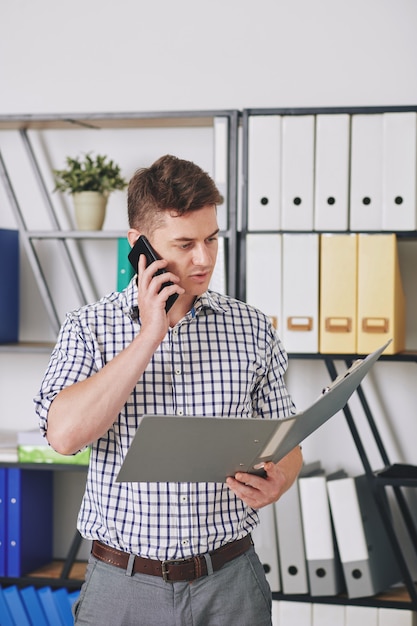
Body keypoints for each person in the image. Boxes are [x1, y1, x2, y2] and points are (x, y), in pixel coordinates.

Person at [34, 154, 303, 626]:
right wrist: (148, 336)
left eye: (212, 239)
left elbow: (287, 442)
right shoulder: (88, 328)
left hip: (231, 583)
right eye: (184, 243)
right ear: (140, 247)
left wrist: (281, 479)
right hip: (121, 587)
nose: (204, 259)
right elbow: (64, 436)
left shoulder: (253, 329)